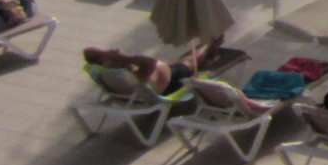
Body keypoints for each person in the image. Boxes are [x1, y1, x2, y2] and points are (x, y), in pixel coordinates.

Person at [83, 41, 226, 97]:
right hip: (173, 82)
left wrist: (111, 56)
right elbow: (149, 62)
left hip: (162, 78)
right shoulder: (137, 75)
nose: (114, 50)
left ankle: (207, 48)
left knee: (182, 61)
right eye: (109, 52)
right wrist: (122, 57)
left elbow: (88, 52)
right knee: (188, 61)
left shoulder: (107, 73)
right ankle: (210, 44)